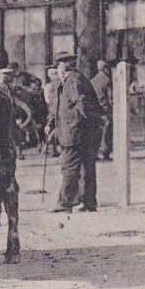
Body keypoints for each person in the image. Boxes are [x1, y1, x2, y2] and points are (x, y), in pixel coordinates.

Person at [47, 54, 104, 213]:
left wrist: (83, 123)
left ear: (64, 67)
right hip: (78, 131)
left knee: (70, 168)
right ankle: (88, 201)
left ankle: (65, 203)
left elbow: (83, 104)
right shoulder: (73, 80)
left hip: (75, 132)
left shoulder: (72, 81)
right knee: (86, 166)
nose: (57, 69)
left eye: (58, 66)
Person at [91, 59, 113, 161]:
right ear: (105, 69)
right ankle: (106, 153)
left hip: (95, 109)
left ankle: (94, 153)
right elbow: (110, 97)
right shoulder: (107, 80)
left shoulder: (92, 80)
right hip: (105, 109)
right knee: (106, 132)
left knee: (96, 131)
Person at [42, 66, 61, 157]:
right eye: (55, 74)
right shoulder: (53, 86)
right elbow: (49, 100)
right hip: (55, 109)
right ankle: (49, 148)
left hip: (52, 109)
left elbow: (47, 100)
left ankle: (50, 149)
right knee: (54, 129)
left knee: (52, 129)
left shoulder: (48, 86)